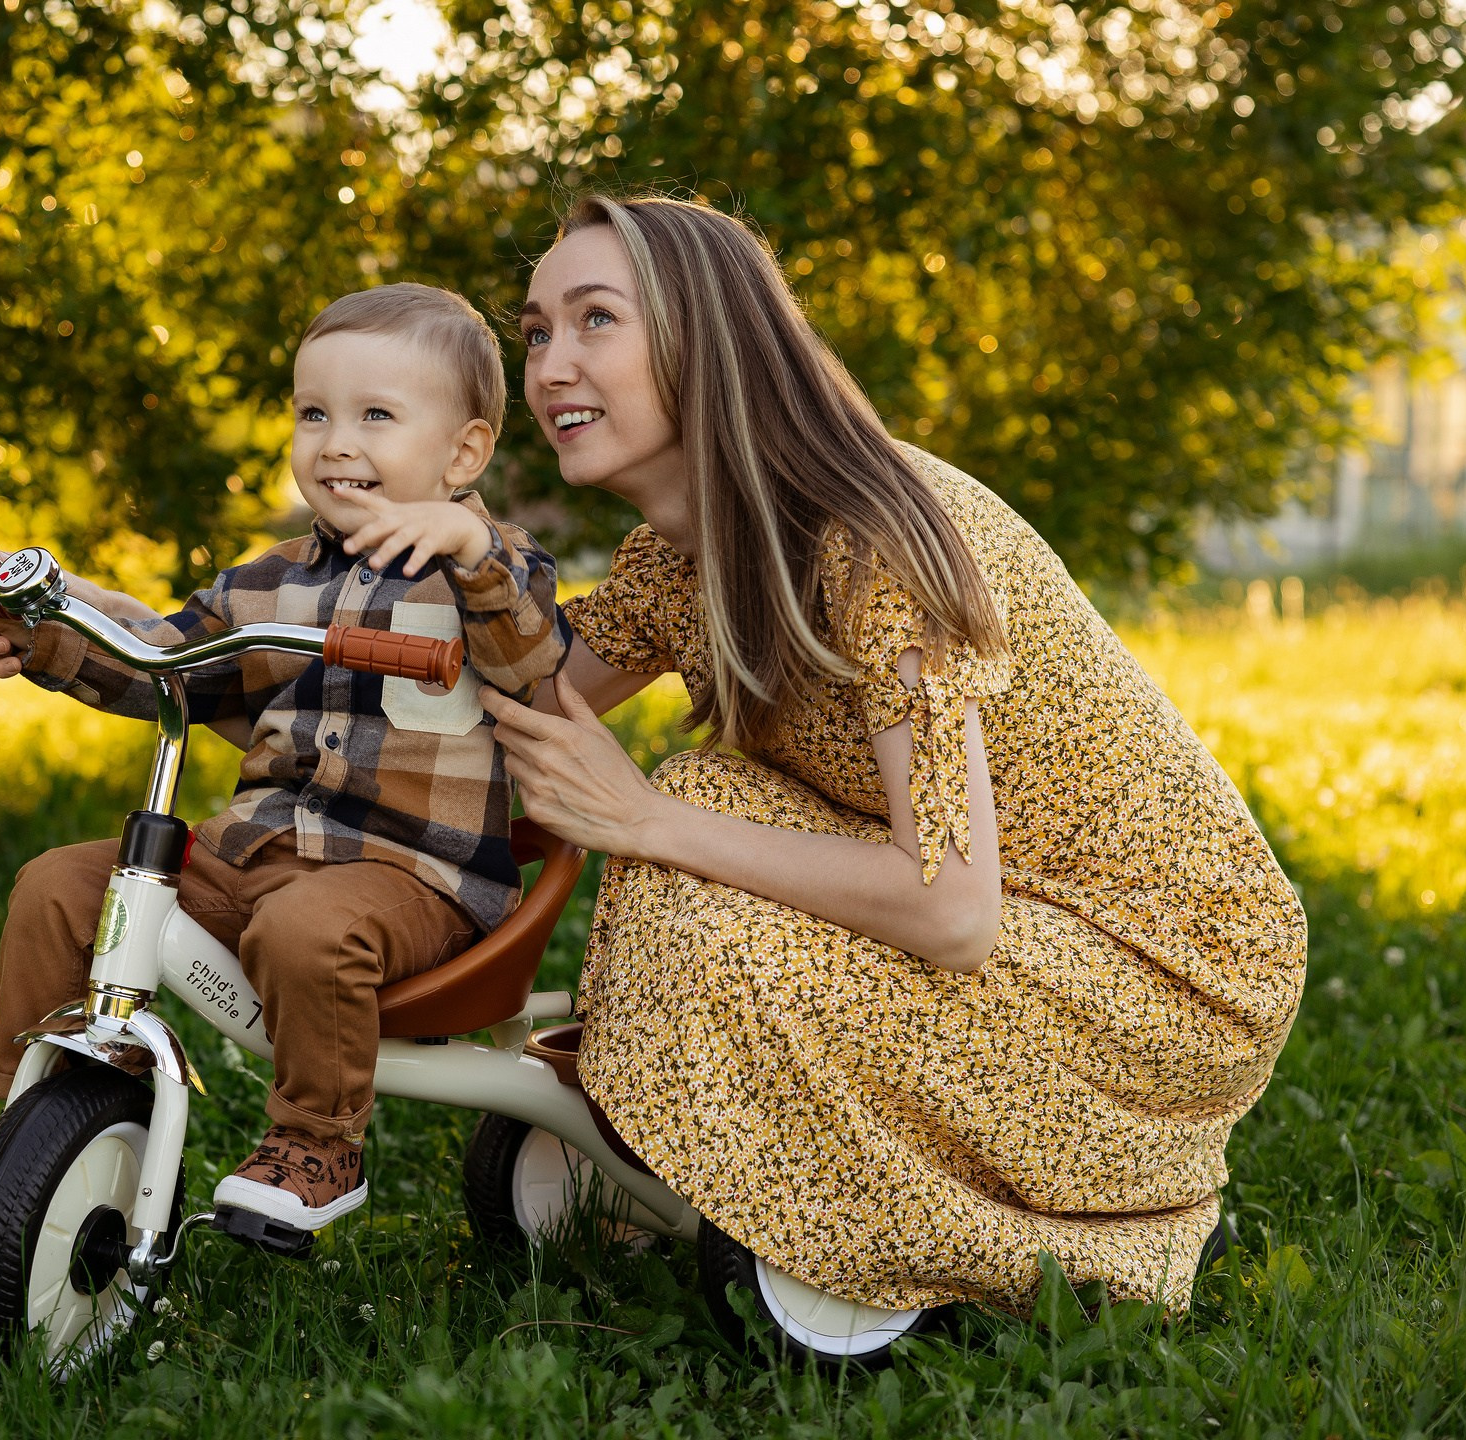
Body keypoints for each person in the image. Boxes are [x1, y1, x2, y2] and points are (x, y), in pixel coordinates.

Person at [480, 196, 1307, 1316]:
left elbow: (952, 906)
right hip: (1013, 920)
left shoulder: (873, 539)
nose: (550, 368)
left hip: (1162, 976)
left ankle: (1068, 1237)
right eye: (535, 333)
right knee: (715, 801)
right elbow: (511, 712)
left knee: (692, 840)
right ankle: (693, 1145)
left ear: (708, 339)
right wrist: (220, 654)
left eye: (594, 322)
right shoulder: (686, 557)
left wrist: (645, 823)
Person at [0, 283, 570, 1238]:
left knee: (309, 929)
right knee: (60, 886)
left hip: (411, 882)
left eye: (376, 415)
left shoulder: (495, 571)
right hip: (251, 853)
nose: (336, 442)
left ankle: (316, 1143)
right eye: (314, 414)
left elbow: (529, 661)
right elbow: (163, 668)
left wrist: (471, 549)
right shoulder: (266, 582)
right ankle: (37, 1111)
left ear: (464, 452)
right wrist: (35, 621)